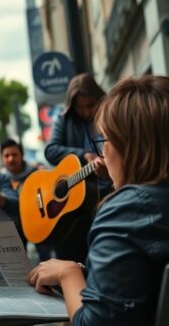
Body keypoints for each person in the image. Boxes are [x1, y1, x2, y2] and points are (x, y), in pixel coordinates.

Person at [27, 76, 169, 324]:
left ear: (132, 147)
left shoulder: (128, 210)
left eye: (104, 141)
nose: (104, 154)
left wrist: (69, 274)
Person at [44, 73, 111, 263]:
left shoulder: (109, 116)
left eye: (90, 105)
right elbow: (50, 150)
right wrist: (83, 154)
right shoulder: (64, 120)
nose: (86, 112)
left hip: (105, 192)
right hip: (75, 199)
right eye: (79, 107)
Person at [0, 139, 50, 261]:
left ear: (21, 155)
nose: (11, 159)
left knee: (46, 260)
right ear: (2, 158)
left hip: (39, 223)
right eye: (7, 155)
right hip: (14, 227)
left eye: (14, 155)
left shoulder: (36, 174)